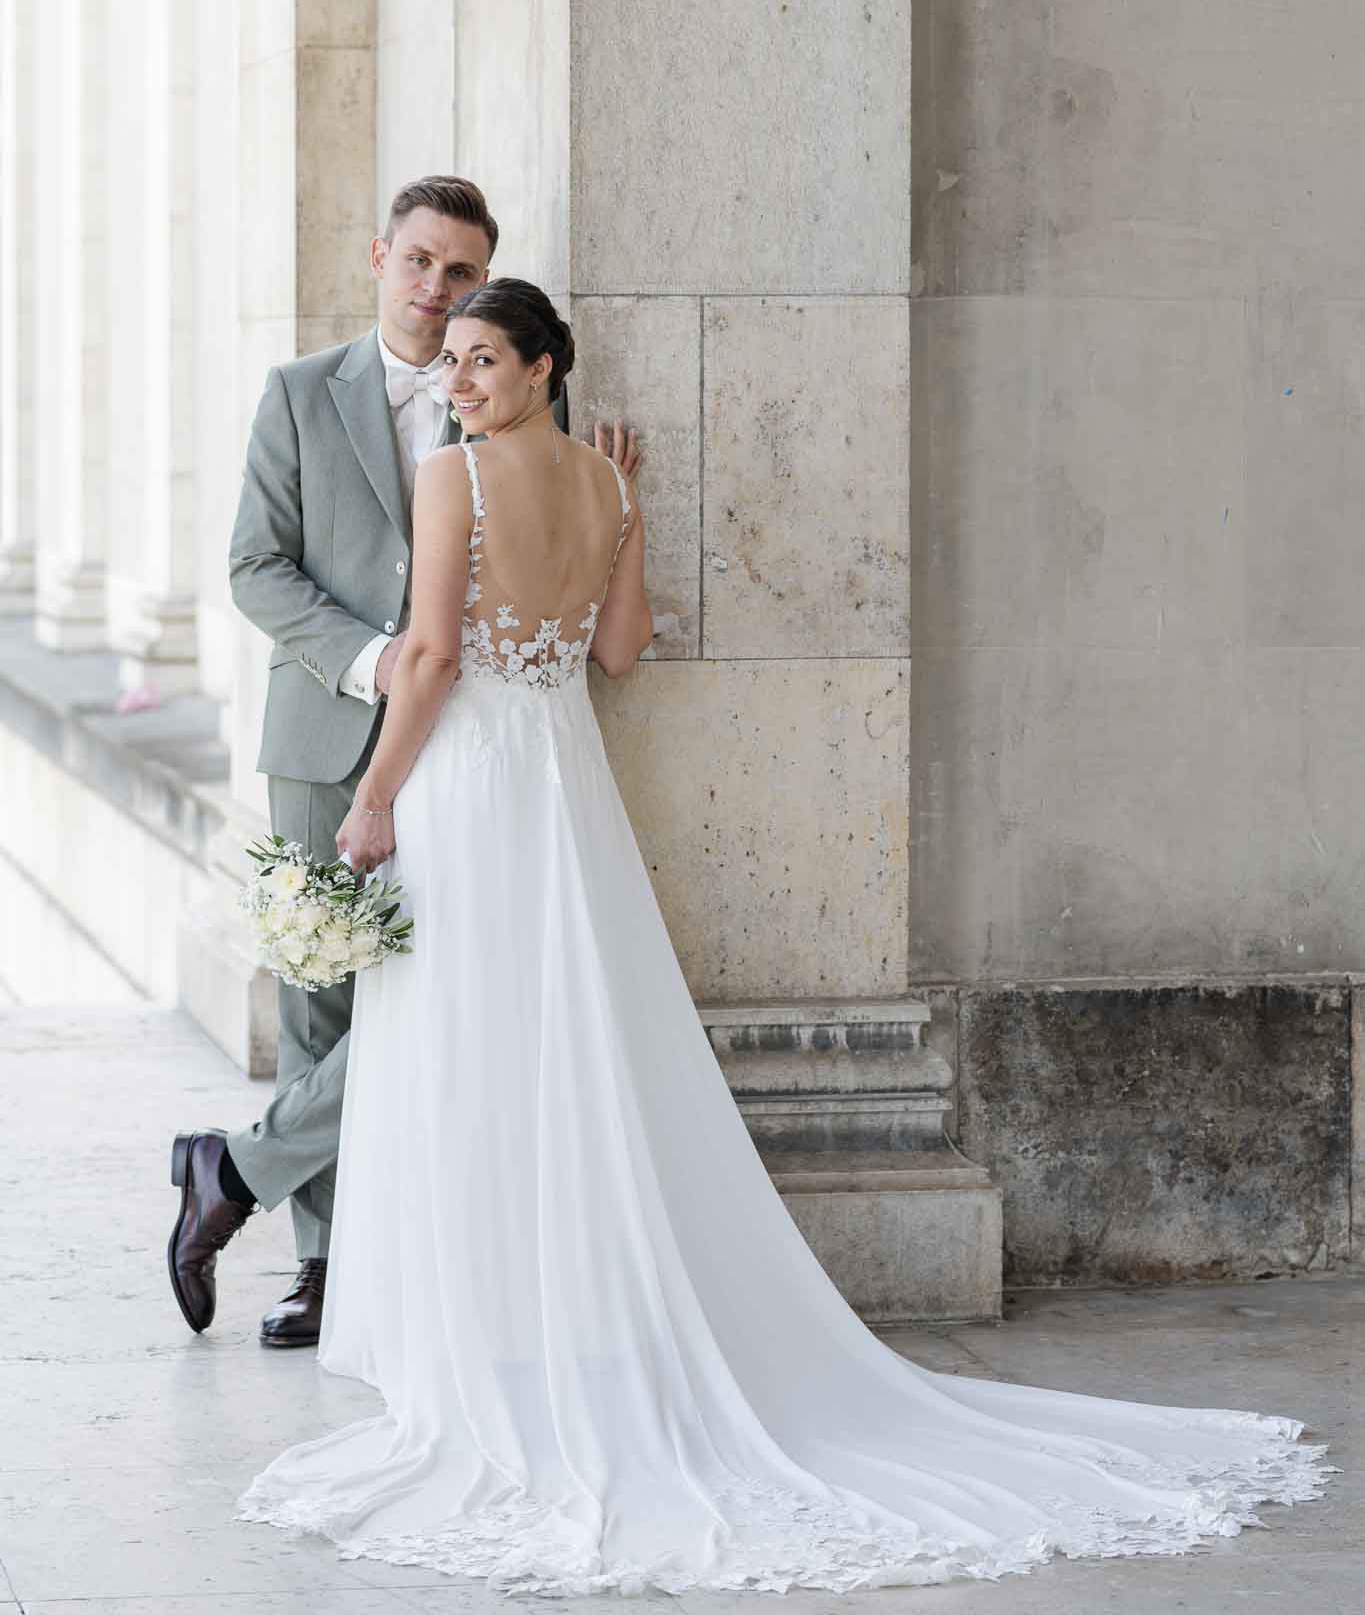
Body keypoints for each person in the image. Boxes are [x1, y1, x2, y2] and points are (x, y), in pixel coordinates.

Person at [236, 278, 1329, 1595]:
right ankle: (557, 1316)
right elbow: (625, 650)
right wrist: (621, 519)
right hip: (563, 782)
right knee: (566, 1034)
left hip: (470, 782)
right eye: (454, 361)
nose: (457, 380)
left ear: (539, 369)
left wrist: (369, 803)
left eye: (480, 361)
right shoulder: (604, 483)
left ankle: (486, 1335)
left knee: (471, 1040)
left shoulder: (451, 476)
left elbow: (427, 660)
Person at [166, 178, 639, 1347]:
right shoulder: (297, 392)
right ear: (380, 255)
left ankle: (230, 1171)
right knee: (326, 999)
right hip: (336, 724)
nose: (438, 290)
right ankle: (323, 1267)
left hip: (479, 743)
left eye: (463, 271)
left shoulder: (525, 392)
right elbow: (255, 567)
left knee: (451, 996)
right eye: (421, 262)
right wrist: (373, 660)